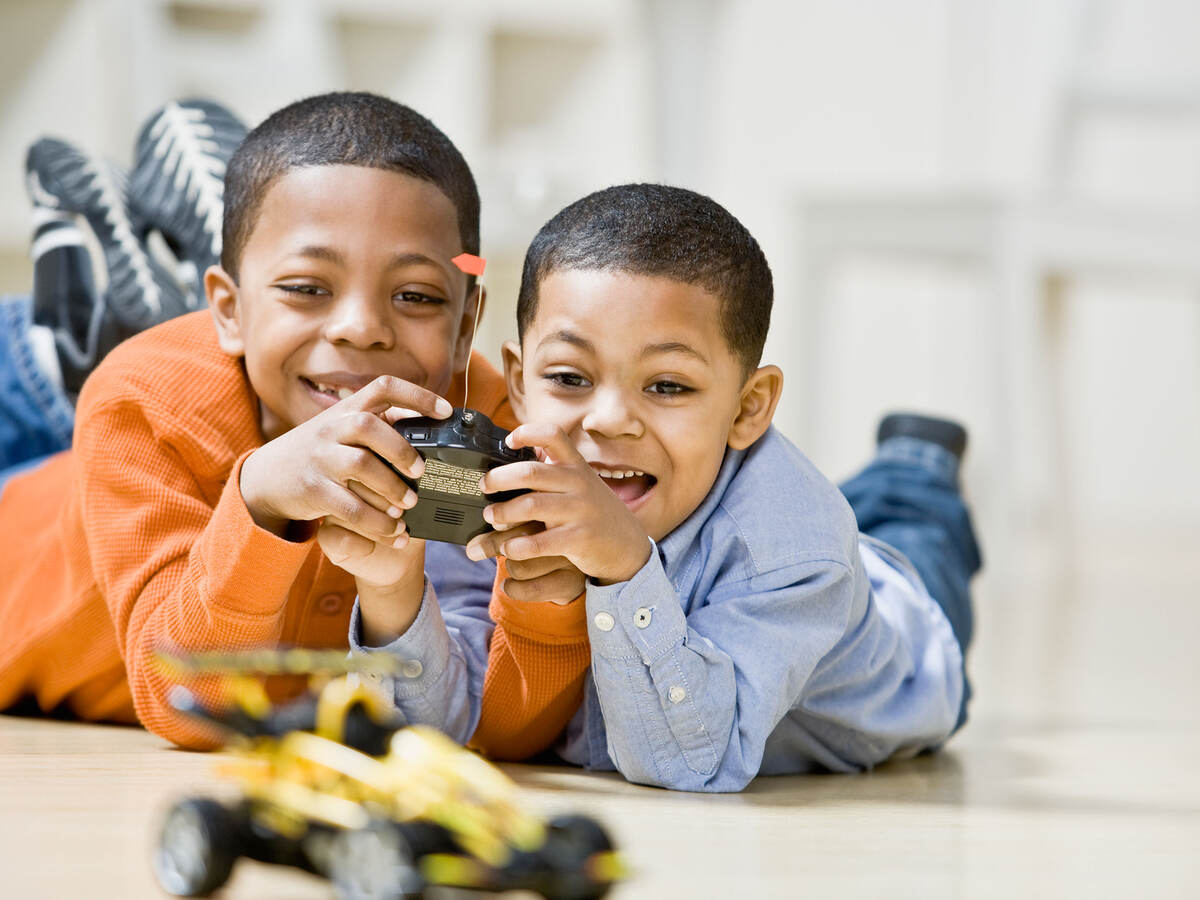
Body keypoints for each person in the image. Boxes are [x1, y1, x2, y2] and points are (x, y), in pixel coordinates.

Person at [0, 92, 528, 750]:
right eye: (308, 288)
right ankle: (55, 349)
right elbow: (185, 701)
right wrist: (256, 497)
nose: (362, 328)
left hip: (242, 386)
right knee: (46, 374)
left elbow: (508, 719)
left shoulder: (487, 420)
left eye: (417, 296)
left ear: (465, 328)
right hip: (23, 542)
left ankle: (125, 314)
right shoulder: (140, 401)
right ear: (228, 308)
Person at [458, 183, 982, 792]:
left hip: (905, 644)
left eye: (667, 386)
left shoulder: (797, 548)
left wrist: (624, 567)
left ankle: (916, 463)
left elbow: (692, 762)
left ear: (747, 407)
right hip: (767, 521)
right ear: (519, 384)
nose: (606, 419)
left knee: (917, 536)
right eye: (570, 377)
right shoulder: (511, 475)